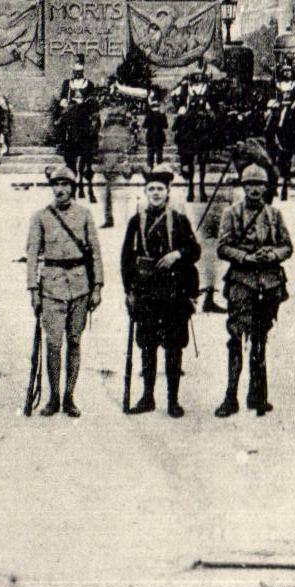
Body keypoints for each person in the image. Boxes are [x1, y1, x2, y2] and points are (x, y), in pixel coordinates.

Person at [120, 165, 200, 417]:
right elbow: (126, 259)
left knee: (174, 346)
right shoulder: (136, 221)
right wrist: (129, 291)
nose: (155, 193)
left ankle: (173, 400)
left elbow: (195, 251)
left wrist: (178, 254)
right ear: (145, 192)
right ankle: (147, 397)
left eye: (160, 189)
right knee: (147, 345)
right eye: (151, 189)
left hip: (174, 293)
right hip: (146, 292)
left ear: (168, 192)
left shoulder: (179, 220)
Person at [25, 162, 103, 417]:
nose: (60, 190)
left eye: (65, 185)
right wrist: (33, 290)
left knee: (75, 341)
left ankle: (69, 397)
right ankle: (54, 397)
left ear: (73, 188)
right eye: (56, 185)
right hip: (52, 287)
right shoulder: (40, 217)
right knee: (53, 343)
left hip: (80, 285)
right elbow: (33, 255)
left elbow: (95, 254)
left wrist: (97, 287)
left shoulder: (84, 215)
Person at [214, 164, 293, 418]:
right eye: (249, 185)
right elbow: (223, 247)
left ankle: (258, 396)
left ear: (265, 187)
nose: (254, 190)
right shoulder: (232, 213)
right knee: (236, 338)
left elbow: (287, 246)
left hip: (269, 283)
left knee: (260, 339)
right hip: (241, 282)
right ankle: (230, 396)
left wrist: (271, 254)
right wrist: (246, 258)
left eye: (259, 185)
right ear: (243, 187)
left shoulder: (274, 215)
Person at [143, 87, 169, 171]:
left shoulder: (149, 115)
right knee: (159, 156)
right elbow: (165, 126)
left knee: (150, 156)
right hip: (159, 137)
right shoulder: (162, 115)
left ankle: (150, 171)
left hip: (150, 137)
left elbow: (145, 125)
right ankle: (159, 171)